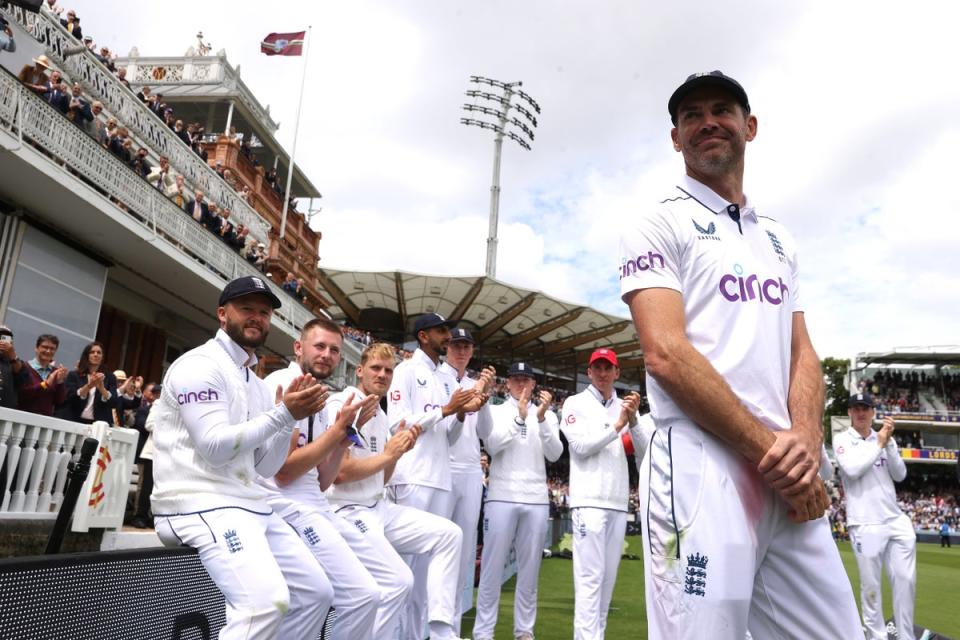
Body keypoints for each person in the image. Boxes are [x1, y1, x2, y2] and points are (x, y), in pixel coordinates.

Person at [619, 70, 861, 639]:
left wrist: (803, 442)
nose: (707, 123)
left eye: (721, 110)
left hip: (786, 469)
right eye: (691, 116)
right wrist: (773, 454)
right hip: (705, 464)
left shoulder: (778, 237)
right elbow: (666, 355)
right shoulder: (657, 222)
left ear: (749, 127)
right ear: (675, 138)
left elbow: (804, 354)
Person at [149, 275, 332, 639]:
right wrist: (283, 415)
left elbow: (266, 466)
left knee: (316, 593)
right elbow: (215, 449)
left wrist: (286, 420)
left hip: (248, 503)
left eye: (264, 313)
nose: (257, 318)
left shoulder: (255, 381)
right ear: (222, 314)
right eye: (247, 308)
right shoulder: (199, 365)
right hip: (195, 503)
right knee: (264, 604)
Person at [259, 318, 393, 640]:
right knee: (335, 596)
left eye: (334, 350)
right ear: (298, 347)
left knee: (368, 595)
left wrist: (346, 436)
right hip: (282, 502)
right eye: (319, 346)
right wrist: (336, 432)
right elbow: (285, 471)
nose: (327, 355)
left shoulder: (319, 394)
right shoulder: (283, 384)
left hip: (314, 503)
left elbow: (322, 480)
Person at [328, 342, 465, 640]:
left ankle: (442, 630)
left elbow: (383, 477)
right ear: (359, 370)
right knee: (399, 582)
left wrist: (399, 452)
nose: (382, 375)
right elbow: (340, 473)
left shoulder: (379, 413)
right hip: (347, 509)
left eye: (388, 370)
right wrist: (390, 454)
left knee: (450, 534)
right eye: (375, 368)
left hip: (378, 507)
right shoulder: (345, 403)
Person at [385, 312, 484, 640]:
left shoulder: (445, 379)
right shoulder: (405, 371)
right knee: (407, 572)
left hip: (441, 477)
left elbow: (450, 438)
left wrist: (458, 416)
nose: (448, 336)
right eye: (442, 331)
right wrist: (443, 410)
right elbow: (396, 423)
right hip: (411, 476)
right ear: (423, 336)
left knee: (431, 576)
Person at [472, 362, 562, 640]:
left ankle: (524, 630)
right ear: (508, 383)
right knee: (491, 568)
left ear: (534, 384)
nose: (521, 383)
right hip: (501, 496)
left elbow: (555, 454)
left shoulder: (547, 414)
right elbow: (493, 445)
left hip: (535, 498)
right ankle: (483, 632)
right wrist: (520, 418)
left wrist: (542, 418)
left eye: (526, 379)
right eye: (516, 379)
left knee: (530, 570)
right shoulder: (498, 410)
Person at [560, 348, 641, 640]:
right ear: (589, 372)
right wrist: (618, 424)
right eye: (598, 368)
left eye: (609, 368)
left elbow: (641, 450)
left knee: (607, 582)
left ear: (617, 373)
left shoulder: (626, 406)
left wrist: (634, 421)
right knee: (589, 580)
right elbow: (581, 448)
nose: (603, 373)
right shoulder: (574, 403)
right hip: (588, 501)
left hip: (617, 502)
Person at [834, 395, 916, 640]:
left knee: (905, 582)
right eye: (857, 409)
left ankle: (906, 637)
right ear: (850, 412)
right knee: (871, 588)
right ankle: (876, 638)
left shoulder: (882, 440)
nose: (861, 413)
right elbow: (852, 470)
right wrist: (879, 442)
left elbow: (900, 475)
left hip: (895, 520)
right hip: (865, 524)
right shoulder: (842, 440)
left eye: (866, 409)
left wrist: (888, 444)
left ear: (873, 412)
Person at [438, 328, 494, 634]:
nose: (461, 351)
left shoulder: (477, 384)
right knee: (437, 546)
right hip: (442, 467)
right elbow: (446, 429)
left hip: (472, 470)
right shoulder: (437, 376)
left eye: (466, 346)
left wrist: (483, 398)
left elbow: (486, 433)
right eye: (457, 345)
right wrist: (464, 402)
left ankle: (452, 628)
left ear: (472, 351)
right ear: (448, 347)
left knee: (463, 550)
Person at [62, 342, 120, 424]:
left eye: (99, 352)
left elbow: (114, 403)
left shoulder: (110, 377)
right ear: (86, 355)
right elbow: (70, 398)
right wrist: (88, 386)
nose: (96, 355)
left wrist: (102, 389)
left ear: (102, 356)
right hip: (74, 420)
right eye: (92, 352)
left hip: (98, 424)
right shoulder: (74, 375)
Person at [129, 381, 160, 529]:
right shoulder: (159, 405)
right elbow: (149, 425)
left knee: (159, 488)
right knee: (146, 487)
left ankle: (152, 517)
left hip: (166, 454)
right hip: (151, 452)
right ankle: (139, 516)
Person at [16, 334, 68, 416]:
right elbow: (22, 394)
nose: (48, 351)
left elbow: (59, 401)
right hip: (22, 418)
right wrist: (45, 384)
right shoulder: (24, 367)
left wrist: (60, 382)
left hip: (44, 422)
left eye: (52, 349)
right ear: (36, 348)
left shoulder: (56, 372)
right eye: (45, 347)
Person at [0, 325, 23, 409]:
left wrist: (13, 357)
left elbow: (23, 382)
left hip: (6, 415)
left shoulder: (14, 362)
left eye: (5, 338)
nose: (2, 341)